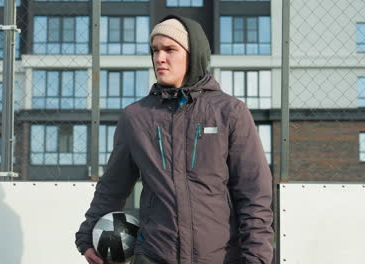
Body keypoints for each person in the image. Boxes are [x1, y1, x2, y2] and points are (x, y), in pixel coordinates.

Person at [75, 14, 274, 264]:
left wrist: (256, 257)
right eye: (155, 50)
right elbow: (112, 187)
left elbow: (254, 193)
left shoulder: (229, 112)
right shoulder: (136, 117)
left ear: (193, 54)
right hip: (154, 255)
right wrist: (86, 237)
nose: (160, 58)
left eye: (170, 49)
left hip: (219, 257)